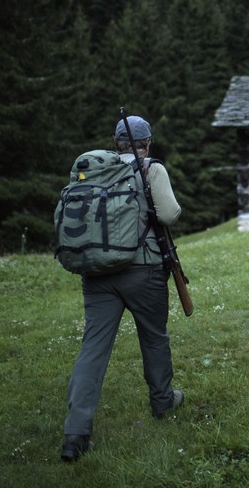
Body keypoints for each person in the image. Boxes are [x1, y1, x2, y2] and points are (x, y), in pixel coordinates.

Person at [60, 115, 184, 463]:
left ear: (118, 143)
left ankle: (75, 433)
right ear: (149, 142)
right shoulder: (151, 169)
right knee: (154, 337)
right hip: (143, 271)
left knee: (93, 349)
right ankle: (163, 403)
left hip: (98, 274)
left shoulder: (100, 172)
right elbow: (171, 215)